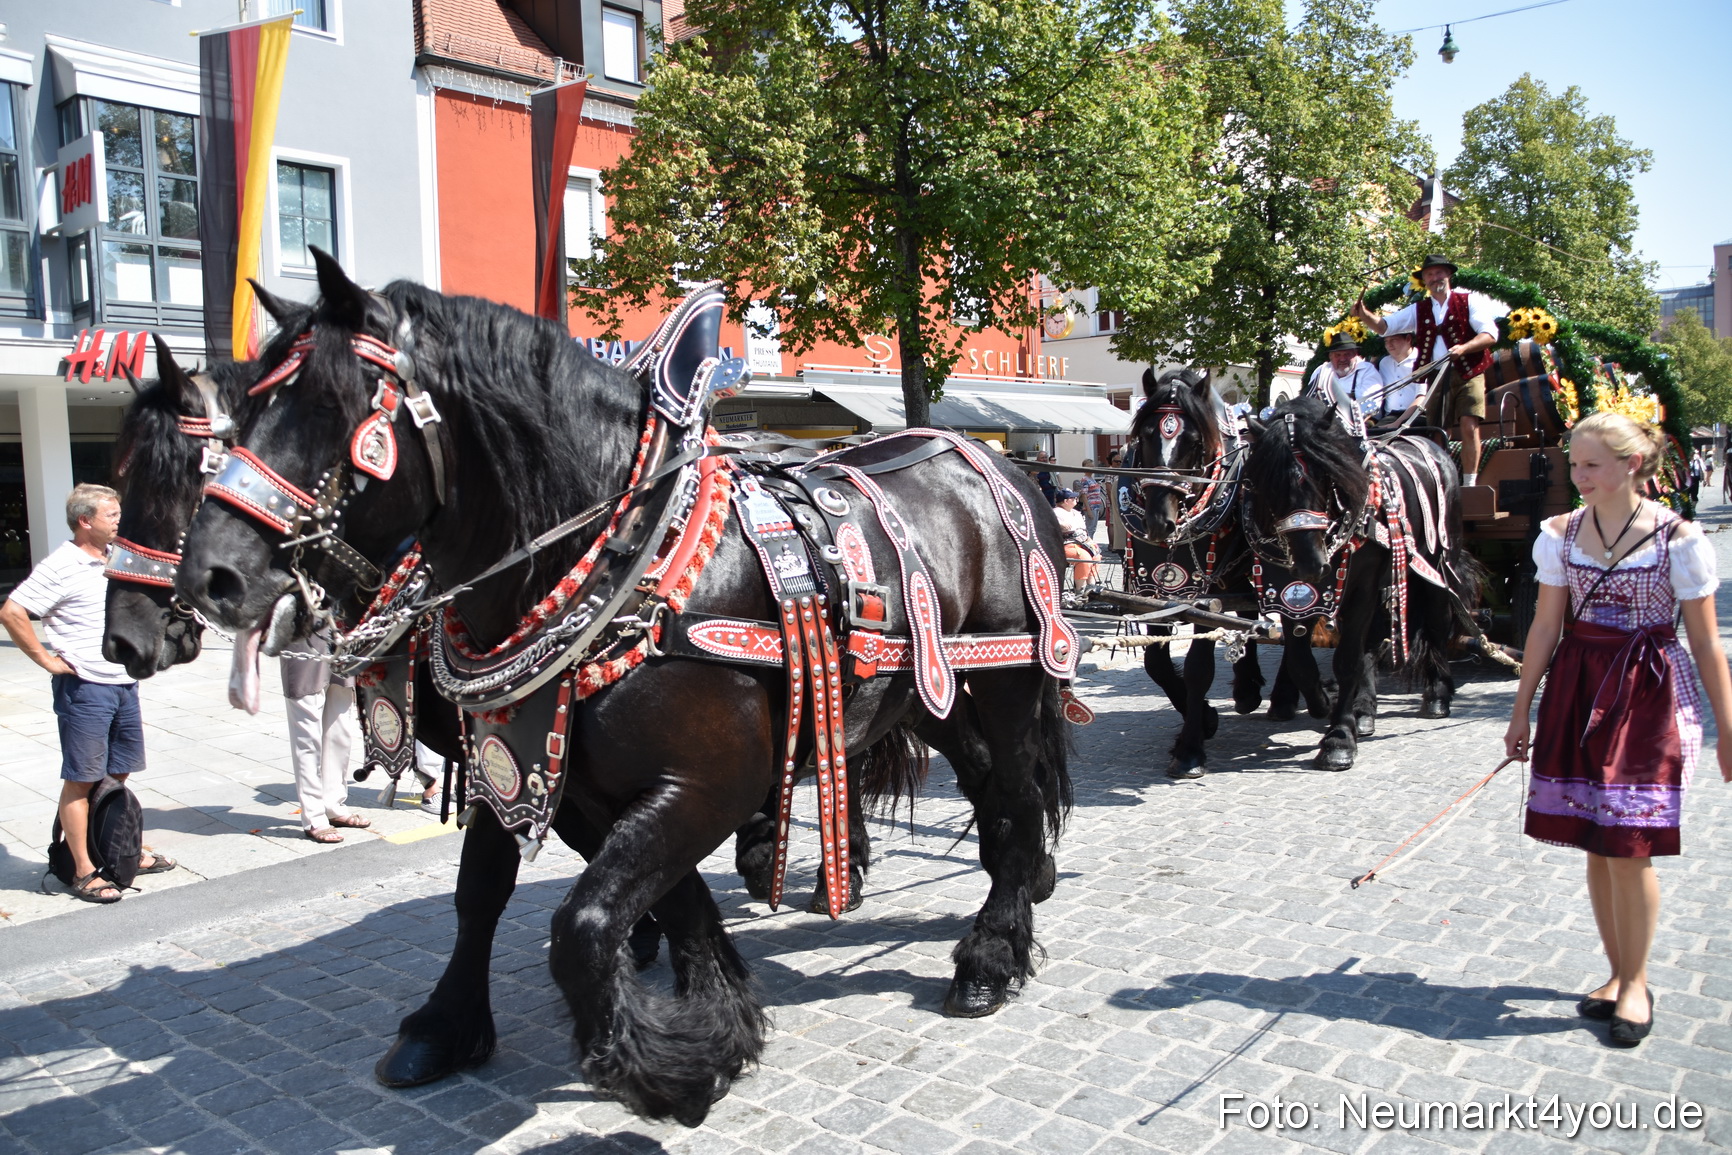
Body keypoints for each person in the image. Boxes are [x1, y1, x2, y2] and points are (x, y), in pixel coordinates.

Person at [1503, 413, 1732, 1047]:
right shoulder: (1560, 535)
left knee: (1629, 846)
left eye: (1592, 466)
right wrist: (1522, 709)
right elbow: (1546, 628)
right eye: (1574, 466)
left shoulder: (1678, 540)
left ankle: (1637, 982)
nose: (1579, 478)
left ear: (1632, 464)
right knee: (1597, 842)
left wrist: (1730, 729)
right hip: (1577, 690)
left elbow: (1708, 644)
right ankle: (1615, 972)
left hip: (1646, 695)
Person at [0, 484, 177, 902]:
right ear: (85, 521)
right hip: (84, 689)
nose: (119, 521)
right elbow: (12, 611)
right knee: (82, 779)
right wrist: (47, 659)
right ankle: (82, 868)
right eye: (111, 515)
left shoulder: (113, 558)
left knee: (117, 774)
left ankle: (119, 851)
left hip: (122, 683)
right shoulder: (62, 565)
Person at [1355, 254, 1497, 486]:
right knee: (1438, 431)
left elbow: (1490, 335)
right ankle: (1442, 481)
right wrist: (1364, 314)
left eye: (1439, 272)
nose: (1434, 278)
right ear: (1425, 281)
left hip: (1468, 371)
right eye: (1429, 274)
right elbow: (1384, 327)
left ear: (1448, 275)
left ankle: (1469, 483)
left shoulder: (1469, 301)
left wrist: (1464, 348)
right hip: (1437, 375)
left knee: (1469, 424)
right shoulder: (1418, 310)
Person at [281, 628, 370, 842]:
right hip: (302, 629)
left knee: (340, 729)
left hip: (340, 632)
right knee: (307, 734)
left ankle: (333, 804)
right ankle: (314, 816)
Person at [1304, 332, 1383, 438]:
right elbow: (1309, 400)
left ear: (1355, 354)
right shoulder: (1321, 371)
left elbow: (1370, 406)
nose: (1342, 359)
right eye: (1338, 355)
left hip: (1361, 425)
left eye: (1347, 354)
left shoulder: (1366, 370)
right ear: (1330, 356)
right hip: (1324, 425)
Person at [1371, 324, 1422, 417]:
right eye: (1386, 341)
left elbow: (1422, 397)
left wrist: (1398, 424)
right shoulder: (1384, 363)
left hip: (1417, 416)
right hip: (1389, 416)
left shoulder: (1421, 360)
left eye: (1393, 340)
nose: (1389, 345)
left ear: (1408, 339)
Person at [1052, 488, 1100, 587]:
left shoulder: (1076, 513)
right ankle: (1080, 589)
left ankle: (1091, 586)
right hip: (1066, 544)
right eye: (1073, 498)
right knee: (1083, 558)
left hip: (1083, 542)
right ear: (1066, 501)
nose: (1076, 500)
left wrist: (1090, 541)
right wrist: (1059, 524)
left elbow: (1084, 530)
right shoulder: (1055, 513)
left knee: (1096, 554)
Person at [1076, 462, 1106, 542]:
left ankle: (1090, 543)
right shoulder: (1085, 479)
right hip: (1090, 506)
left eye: (1092, 466)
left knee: (1093, 528)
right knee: (1090, 528)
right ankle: (1088, 544)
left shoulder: (1092, 479)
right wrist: (1088, 509)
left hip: (1096, 506)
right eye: (1089, 466)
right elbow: (1084, 495)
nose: (1092, 467)